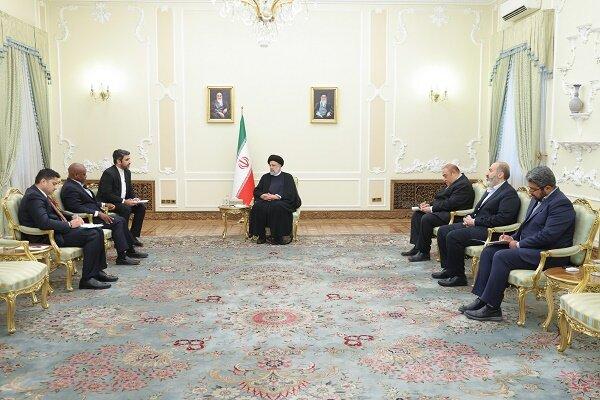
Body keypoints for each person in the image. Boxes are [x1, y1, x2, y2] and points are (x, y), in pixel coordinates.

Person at [460, 166, 575, 321]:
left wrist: (519, 244)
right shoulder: (537, 198)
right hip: (532, 248)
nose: (530, 193)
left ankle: (492, 308)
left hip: (549, 254)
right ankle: (482, 299)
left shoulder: (561, 204)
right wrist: (511, 238)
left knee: (502, 256)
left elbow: (548, 236)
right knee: (489, 250)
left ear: (547, 188)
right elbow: (526, 226)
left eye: (533, 189)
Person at [18, 168, 117, 289]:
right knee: (93, 234)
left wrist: (72, 216)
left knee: (97, 231)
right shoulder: (34, 197)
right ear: (43, 181)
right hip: (45, 237)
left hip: (55, 231)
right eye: (54, 184)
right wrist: (70, 225)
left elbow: (56, 212)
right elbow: (44, 223)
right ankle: (88, 279)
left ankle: (97, 272)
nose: (55, 187)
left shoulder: (39, 193)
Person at [432, 162, 520, 287]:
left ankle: (458, 277)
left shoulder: (509, 193)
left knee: (453, 236)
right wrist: (470, 217)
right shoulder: (492, 189)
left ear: (500, 174)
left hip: (491, 231)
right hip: (478, 225)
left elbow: (503, 219)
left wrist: (475, 221)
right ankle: (449, 269)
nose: (487, 173)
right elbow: (479, 210)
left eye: (490, 170)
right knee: (443, 231)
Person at [61, 163, 148, 265]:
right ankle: (122, 257)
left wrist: (104, 204)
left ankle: (130, 251)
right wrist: (98, 213)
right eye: (84, 174)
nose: (86, 176)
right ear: (76, 175)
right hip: (87, 219)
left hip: (94, 214)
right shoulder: (70, 188)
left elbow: (90, 202)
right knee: (118, 222)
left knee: (121, 220)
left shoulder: (77, 185)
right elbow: (76, 207)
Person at [403, 164, 475, 262]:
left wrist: (431, 209)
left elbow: (451, 204)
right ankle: (417, 247)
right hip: (446, 211)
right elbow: (442, 199)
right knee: (418, 215)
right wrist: (428, 205)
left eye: (445, 176)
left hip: (455, 215)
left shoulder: (463, 185)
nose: (444, 179)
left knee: (427, 218)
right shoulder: (456, 182)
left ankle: (424, 253)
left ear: (453, 173)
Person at [249, 155, 301, 245]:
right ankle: (261, 235)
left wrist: (277, 197)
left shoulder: (287, 177)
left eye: (274, 165)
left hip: (283, 201)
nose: (271, 167)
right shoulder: (265, 177)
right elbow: (257, 190)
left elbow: (291, 193)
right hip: (267, 201)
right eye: (270, 165)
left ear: (280, 166)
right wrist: (263, 195)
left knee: (277, 206)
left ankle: (278, 237)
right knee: (257, 206)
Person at [97, 149, 146, 246]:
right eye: (127, 160)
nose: (130, 162)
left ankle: (132, 237)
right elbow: (107, 194)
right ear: (119, 161)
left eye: (129, 159)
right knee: (126, 208)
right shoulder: (109, 173)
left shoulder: (127, 172)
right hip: (110, 203)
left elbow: (129, 189)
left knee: (141, 207)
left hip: (122, 201)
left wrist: (134, 199)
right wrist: (124, 201)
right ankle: (122, 238)